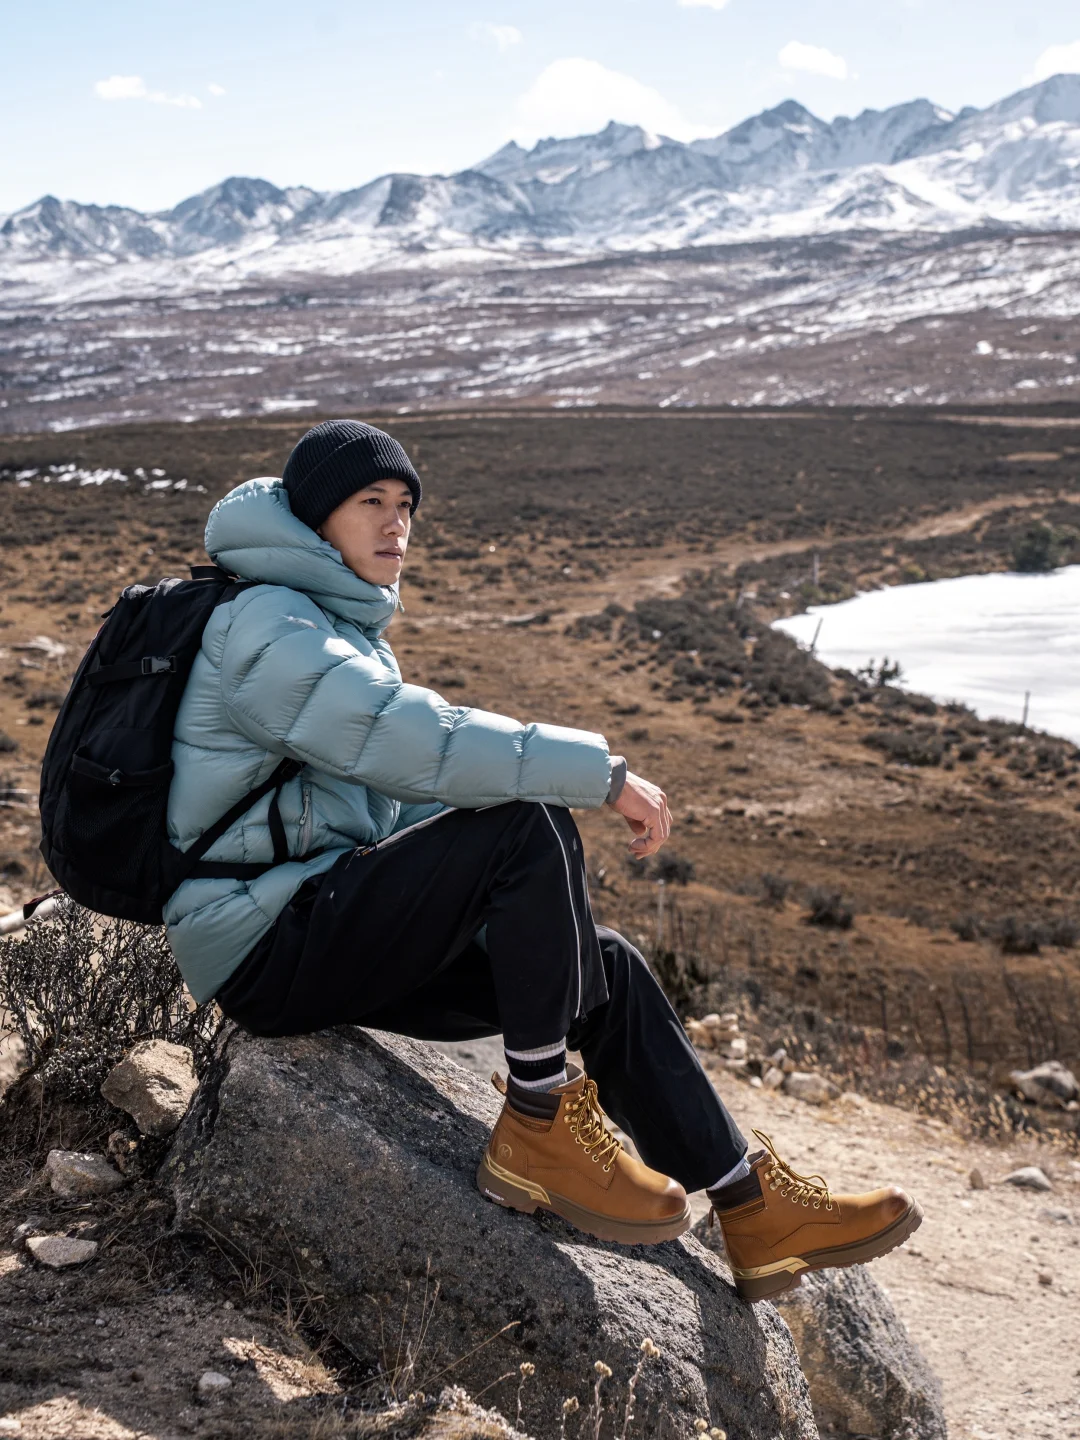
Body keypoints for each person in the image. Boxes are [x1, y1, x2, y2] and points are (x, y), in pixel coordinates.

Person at [164, 419, 921, 1299]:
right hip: (262, 946)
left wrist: (511, 898)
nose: (396, 523)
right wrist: (598, 775)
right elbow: (410, 739)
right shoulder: (269, 622)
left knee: (604, 965)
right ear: (312, 515)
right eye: (370, 501)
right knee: (526, 823)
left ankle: (751, 1209)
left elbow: (399, 799)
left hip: (318, 923)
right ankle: (537, 1121)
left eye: (406, 504)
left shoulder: (331, 624)